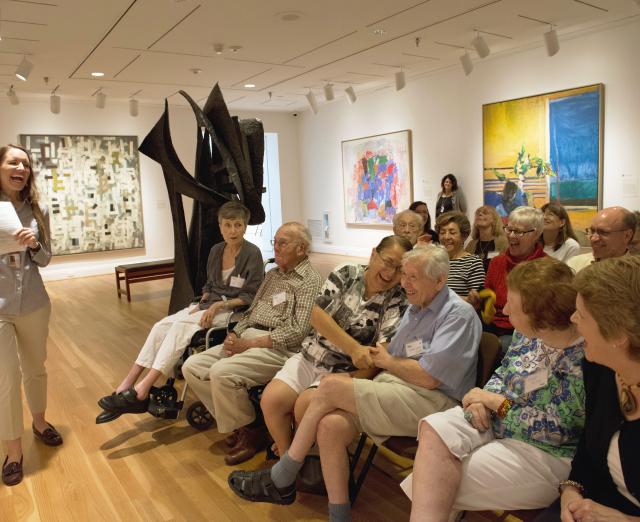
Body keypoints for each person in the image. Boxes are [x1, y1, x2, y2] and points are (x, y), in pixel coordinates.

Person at [227, 244, 482, 522]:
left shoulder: (458, 315)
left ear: (440, 280)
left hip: (435, 403)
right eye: (403, 274)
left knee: (330, 386)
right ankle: (339, 514)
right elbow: (387, 352)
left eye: (412, 276)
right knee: (329, 426)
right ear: (372, 255)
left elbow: (429, 377)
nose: (404, 283)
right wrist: (378, 357)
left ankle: (283, 475)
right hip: (396, 387)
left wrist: (384, 361)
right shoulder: (416, 306)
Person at [404, 257, 585, 520]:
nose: (505, 309)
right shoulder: (527, 335)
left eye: (513, 304)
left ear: (541, 318)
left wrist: (495, 403)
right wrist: (478, 401)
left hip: (542, 452)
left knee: (434, 481)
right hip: (494, 421)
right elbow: (504, 374)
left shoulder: (582, 359)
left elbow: (556, 430)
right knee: (432, 429)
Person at [96, 201, 264, 423]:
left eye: (238, 225)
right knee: (161, 326)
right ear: (220, 226)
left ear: (245, 227)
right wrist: (204, 299)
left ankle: (142, 389)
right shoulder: (216, 251)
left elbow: (251, 296)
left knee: (179, 328)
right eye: (228, 225)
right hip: (207, 305)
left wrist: (218, 306)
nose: (233, 231)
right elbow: (209, 284)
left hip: (234, 311)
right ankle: (127, 383)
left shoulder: (252, 253)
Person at [182, 222, 323, 465]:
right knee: (191, 366)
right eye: (275, 242)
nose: (276, 248)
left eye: (283, 243)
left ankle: (251, 430)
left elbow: (298, 332)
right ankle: (247, 422)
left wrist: (250, 345)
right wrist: (235, 334)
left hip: (277, 347)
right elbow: (250, 312)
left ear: (302, 248)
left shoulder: (310, 281)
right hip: (248, 337)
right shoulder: (272, 275)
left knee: (220, 372)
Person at [260, 235, 412, 457]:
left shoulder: (398, 299)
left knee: (306, 405)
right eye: (388, 262)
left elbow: (382, 353)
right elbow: (316, 315)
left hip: (345, 372)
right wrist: (354, 348)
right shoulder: (348, 273)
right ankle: (287, 459)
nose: (390, 273)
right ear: (373, 254)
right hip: (311, 355)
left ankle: (299, 462)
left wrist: (355, 377)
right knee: (271, 401)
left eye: (399, 269)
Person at [553, 256, 640, 520]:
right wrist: (571, 490)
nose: (572, 318)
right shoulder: (601, 369)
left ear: (618, 335)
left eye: (582, 314)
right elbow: (589, 449)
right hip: (597, 504)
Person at [1, 144, 60, 487]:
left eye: (25, 163)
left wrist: (34, 245)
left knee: (35, 368)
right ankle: (13, 451)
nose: (20, 167)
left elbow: (47, 258)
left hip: (35, 302)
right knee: (6, 376)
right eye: (13, 161)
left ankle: (39, 422)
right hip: (0, 308)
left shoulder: (37, 211)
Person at [468, 206, 546, 352]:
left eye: (518, 232)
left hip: (525, 333)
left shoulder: (546, 267)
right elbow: (488, 302)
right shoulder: (497, 262)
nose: (511, 236)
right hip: (492, 328)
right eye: (509, 229)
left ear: (536, 234)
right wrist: (479, 301)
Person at [567, 206, 636, 272]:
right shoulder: (575, 265)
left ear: (627, 236)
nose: (593, 239)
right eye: (592, 231)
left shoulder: (635, 272)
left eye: (603, 232)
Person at [435, 211, 484, 299]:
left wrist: (440, 299)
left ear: (464, 236)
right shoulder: (434, 261)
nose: (446, 237)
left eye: (452, 232)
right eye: (442, 232)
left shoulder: (473, 263)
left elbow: (477, 301)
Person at [465, 205, 508, 273]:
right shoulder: (471, 244)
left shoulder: (503, 242)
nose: (480, 214)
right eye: (478, 213)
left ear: (494, 220)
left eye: (485, 213)